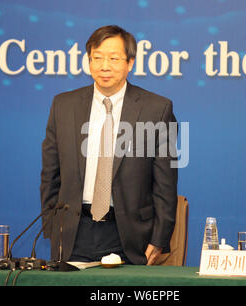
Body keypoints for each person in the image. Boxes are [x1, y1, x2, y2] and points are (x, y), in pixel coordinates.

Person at [39, 25, 178, 265]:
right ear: (88, 60)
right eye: (97, 58)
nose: (105, 66)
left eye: (114, 58)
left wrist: (159, 239)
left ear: (130, 62)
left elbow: (165, 183)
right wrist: (53, 227)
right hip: (73, 234)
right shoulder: (63, 105)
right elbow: (50, 175)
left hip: (131, 238)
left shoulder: (157, 109)